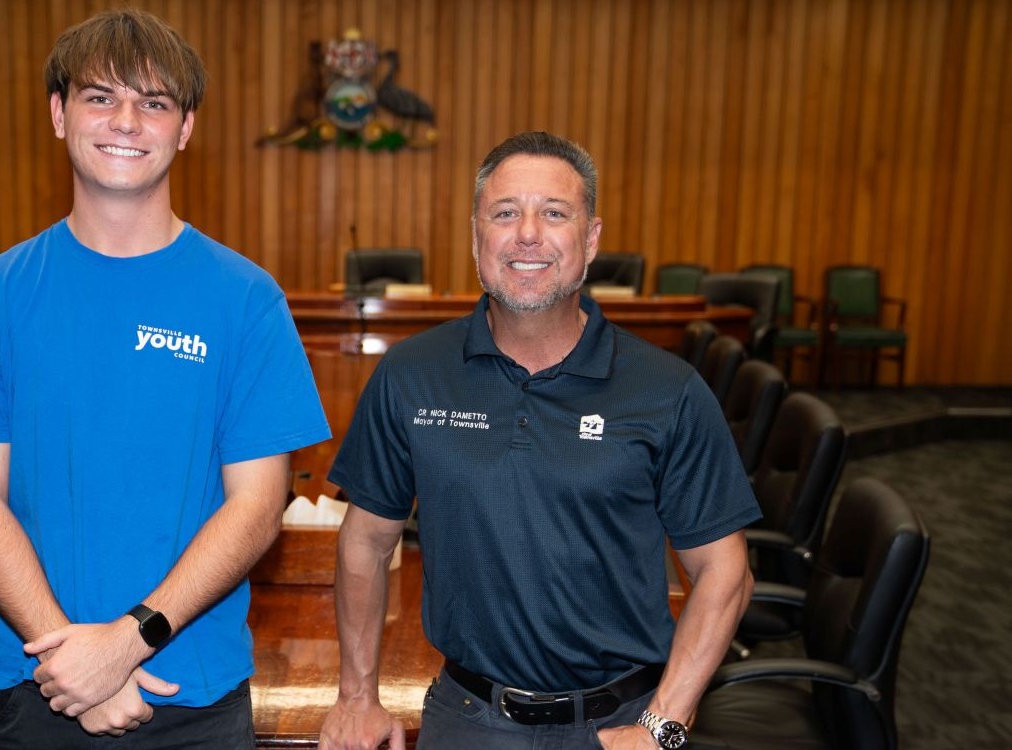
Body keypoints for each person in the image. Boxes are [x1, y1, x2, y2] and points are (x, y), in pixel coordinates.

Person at [0, 10, 330, 749]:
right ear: (58, 113)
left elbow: (258, 507)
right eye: (100, 96)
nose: (127, 121)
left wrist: (126, 643)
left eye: (155, 102)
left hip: (192, 691)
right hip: (35, 683)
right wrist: (71, 659)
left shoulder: (245, 299)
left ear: (185, 128)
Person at [319, 131, 760, 750]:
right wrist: (357, 696)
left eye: (555, 213)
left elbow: (724, 571)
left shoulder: (669, 390)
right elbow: (365, 542)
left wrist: (665, 722)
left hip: (622, 722)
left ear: (592, 238)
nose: (528, 234)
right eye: (505, 213)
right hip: (467, 719)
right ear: (477, 237)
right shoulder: (412, 374)